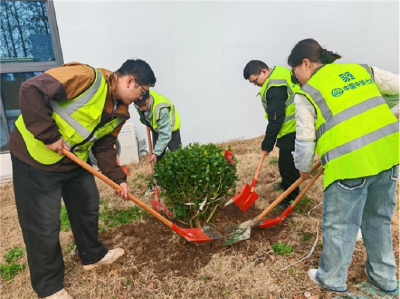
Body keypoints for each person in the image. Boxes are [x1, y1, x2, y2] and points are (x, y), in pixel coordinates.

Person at [8, 59, 156, 299]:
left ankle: (92, 256)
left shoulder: (120, 112)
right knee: (43, 225)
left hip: (73, 159)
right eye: (142, 92)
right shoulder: (87, 78)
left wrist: (118, 179)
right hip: (35, 155)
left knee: (87, 205)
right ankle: (49, 287)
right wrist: (49, 135)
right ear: (131, 81)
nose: (141, 99)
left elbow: (105, 146)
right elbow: (31, 90)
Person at [288, 38, 400, 294]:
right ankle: (384, 278)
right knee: (378, 220)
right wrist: (392, 111)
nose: (297, 81)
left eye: (296, 74)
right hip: (388, 155)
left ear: (305, 63)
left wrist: (303, 169)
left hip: (349, 164)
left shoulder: (307, 93)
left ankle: (331, 279)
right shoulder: (362, 70)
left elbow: (304, 141)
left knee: (341, 225)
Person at [243, 60, 300, 208]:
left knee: (287, 165)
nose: (255, 85)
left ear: (263, 71)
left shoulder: (275, 88)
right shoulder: (278, 72)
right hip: (291, 127)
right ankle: (287, 184)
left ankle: (292, 198)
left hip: (294, 127)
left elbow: (276, 119)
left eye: (255, 81)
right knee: (287, 162)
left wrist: (267, 144)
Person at [134, 90, 182, 163]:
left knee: (177, 157)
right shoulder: (137, 98)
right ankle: (159, 172)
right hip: (156, 130)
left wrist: (156, 153)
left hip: (171, 129)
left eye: (145, 104)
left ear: (149, 98)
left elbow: (165, 134)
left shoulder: (161, 107)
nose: (143, 108)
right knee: (157, 158)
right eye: (140, 106)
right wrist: (156, 153)